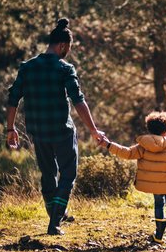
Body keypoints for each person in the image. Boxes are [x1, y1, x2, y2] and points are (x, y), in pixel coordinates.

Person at [6, 18, 104, 235]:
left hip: (38, 131)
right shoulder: (64, 68)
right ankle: (55, 223)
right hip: (62, 130)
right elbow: (78, 100)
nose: (67, 52)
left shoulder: (27, 67)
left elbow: (13, 99)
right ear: (62, 45)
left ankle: (56, 213)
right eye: (67, 48)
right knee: (68, 174)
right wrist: (93, 130)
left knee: (48, 173)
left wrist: (10, 129)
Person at [100, 111, 166, 246]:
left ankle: (158, 236)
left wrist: (108, 145)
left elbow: (127, 153)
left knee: (159, 206)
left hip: (155, 187)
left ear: (149, 128)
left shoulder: (143, 146)